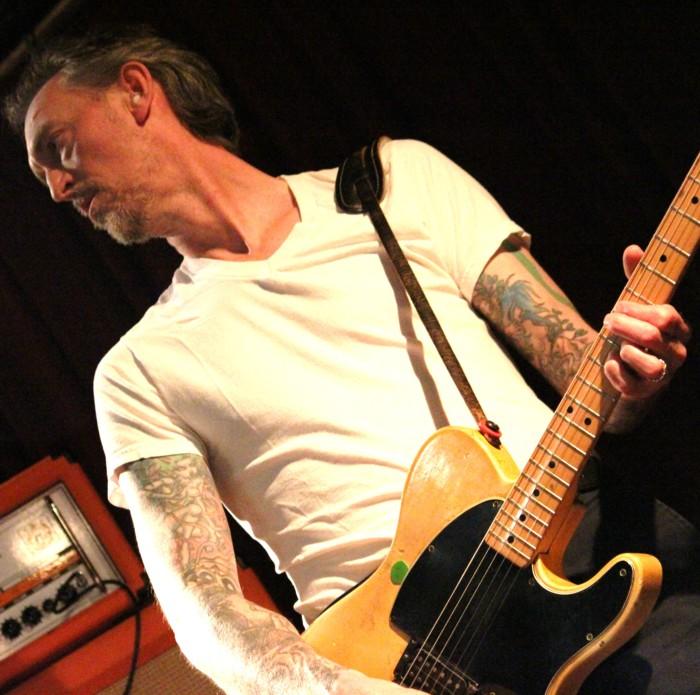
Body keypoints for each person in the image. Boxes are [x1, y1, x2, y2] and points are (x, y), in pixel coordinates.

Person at [5, 27, 697, 695]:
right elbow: (203, 606)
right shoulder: (137, 371)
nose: (58, 189)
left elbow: (592, 378)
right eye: (42, 177)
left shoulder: (396, 183)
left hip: (583, 555)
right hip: (390, 660)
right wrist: (338, 689)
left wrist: (633, 369)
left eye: (58, 147)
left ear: (135, 91)